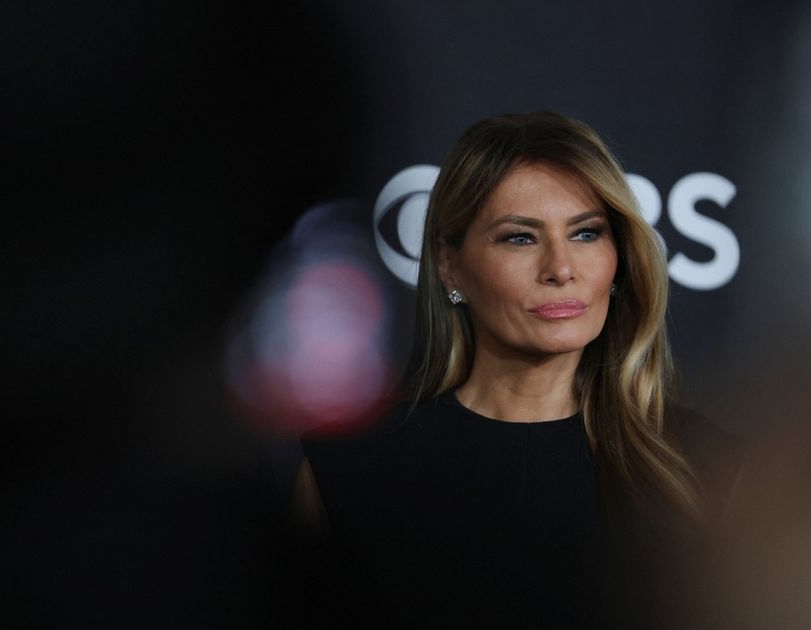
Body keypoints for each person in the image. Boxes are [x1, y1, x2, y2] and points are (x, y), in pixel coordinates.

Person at [291, 112, 738, 629]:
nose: (561, 269)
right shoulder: (350, 466)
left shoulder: (707, 468)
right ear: (450, 265)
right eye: (520, 238)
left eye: (586, 233)